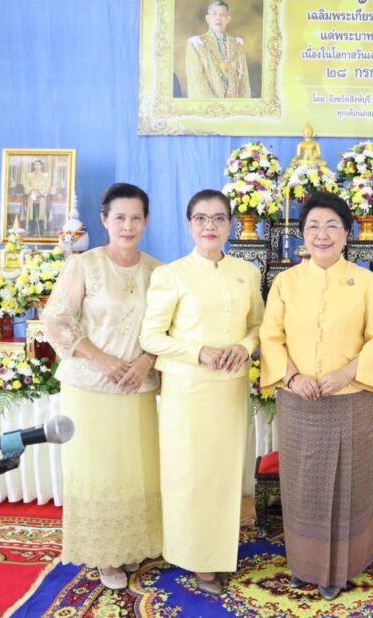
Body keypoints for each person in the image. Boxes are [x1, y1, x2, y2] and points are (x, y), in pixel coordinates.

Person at [260, 191, 373, 601]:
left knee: (348, 484)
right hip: (299, 401)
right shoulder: (286, 282)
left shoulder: (367, 282)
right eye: (314, 226)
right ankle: (306, 564)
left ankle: (344, 566)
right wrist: (292, 376)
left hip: (350, 399)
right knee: (304, 487)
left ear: (347, 233)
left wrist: (347, 373)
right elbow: (271, 336)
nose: (323, 234)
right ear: (302, 234)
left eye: (332, 225)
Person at [139, 190, 263, 596]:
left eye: (218, 218)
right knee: (191, 475)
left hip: (231, 389)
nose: (210, 226)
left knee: (225, 475)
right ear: (190, 224)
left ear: (230, 224)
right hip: (188, 392)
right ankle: (197, 560)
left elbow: (259, 326)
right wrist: (198, 352)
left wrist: (243, 347)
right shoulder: (171, 274)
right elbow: (151, 336)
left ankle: (220, 553)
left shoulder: (247, 272)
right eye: (201, 218)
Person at [41, 183, 162, 590]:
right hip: (90, 387)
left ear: (146, 221)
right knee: (98, 468)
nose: (128, 225)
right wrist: (101, 358)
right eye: (120, 217)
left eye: (135, 218)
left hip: (137, 387)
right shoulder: (84, 265)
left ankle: (131, 545)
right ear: (104, 220)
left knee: (135, 468)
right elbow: (56, 319)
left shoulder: (157, 272)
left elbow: (168, 329)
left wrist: (146, 361)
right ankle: (104, 554)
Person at [184, 0, 252, 99]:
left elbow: (244, 83)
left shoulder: (238, 45)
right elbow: (196, 83)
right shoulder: (196, 44)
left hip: (235, 106)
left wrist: (243, 106)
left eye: (222, 14)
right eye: (214, 14)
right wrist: (217, 106)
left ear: (228, 18)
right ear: (207, 18)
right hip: (209, 106)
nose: (218, 18)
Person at [23, 159, 53, 237]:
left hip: (41, 198)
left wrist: (39, 192)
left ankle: (41, 232)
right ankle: (31, 231)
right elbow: (26, 185)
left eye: (38, 165)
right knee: (32, 215)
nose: (37, 166)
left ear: (41, 166)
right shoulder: (29, 175)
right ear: (33, 166)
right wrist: (33, 190)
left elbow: (47, 186)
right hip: (32, 197)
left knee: (41, 215)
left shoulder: (45, 176)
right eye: (35, 165)